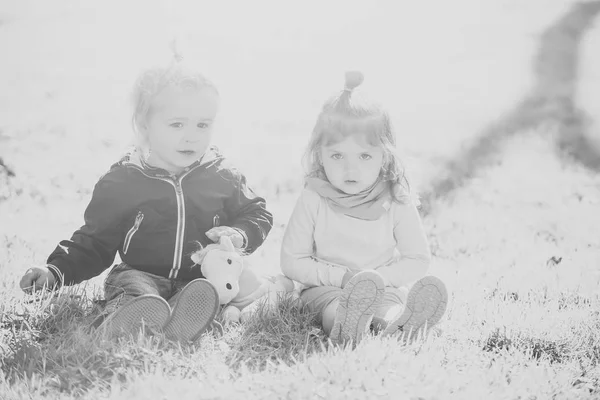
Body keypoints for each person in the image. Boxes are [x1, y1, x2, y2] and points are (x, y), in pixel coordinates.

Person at [18, 55, 273, 343]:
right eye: (177, 125)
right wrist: (55, 271)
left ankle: (182, 322)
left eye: (203, 125)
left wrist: (239, 234)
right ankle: (124, 323)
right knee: (137, 296)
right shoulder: (123, 180)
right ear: (144, 125)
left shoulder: (221, 174)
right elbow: (94, 241)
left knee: (206, 294)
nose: (191, 136)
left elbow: (257, 213)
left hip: (198, 278)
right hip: (139, 273)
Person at [281, 71, 448, 346]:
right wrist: (344, 279)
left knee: (389, 308)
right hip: (327, 289)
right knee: (334, 308)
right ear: (319, 154)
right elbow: (292, 260)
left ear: (385, 155)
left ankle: (399, 324)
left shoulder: (395, 199)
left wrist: (378, 281)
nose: (350, 168)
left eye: (364, 156)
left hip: (384, 288)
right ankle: (347, 323)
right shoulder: (314, 197)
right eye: (337, 155)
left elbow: (417, 258)